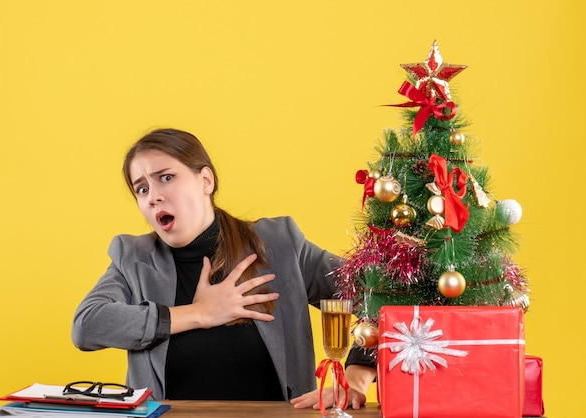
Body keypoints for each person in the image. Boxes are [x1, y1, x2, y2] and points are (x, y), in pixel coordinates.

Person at [71, 128, 376, 410]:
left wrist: (354, 379)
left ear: (206, 180)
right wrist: (200, 313)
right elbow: (87, 325)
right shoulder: (134, 258)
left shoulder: (279, 244)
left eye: (165, 177)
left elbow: (380, 292)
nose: (153, 196)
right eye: (141, 188)